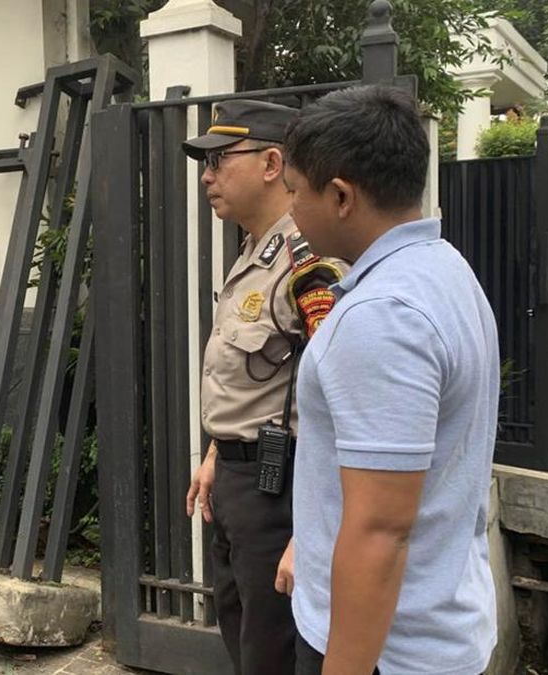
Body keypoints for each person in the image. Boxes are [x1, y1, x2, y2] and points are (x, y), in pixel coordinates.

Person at [280, 84, 499, 674]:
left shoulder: (381, 315)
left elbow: (381, 530)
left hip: (385, 650)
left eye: (295, 191)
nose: (291, 209)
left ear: (341, 196)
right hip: (433, 623)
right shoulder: (444, 269)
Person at [181, 100, 343, 674]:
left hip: (282, 489)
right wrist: (215, 453)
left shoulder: (308, 262)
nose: (207, 176)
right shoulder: (254, 249)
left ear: (272, 163)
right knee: (240, 631)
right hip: (237, 479)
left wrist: (314, 528)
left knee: (271, 651)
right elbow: (262, 381)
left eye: (219, 160)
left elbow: (337, 400)